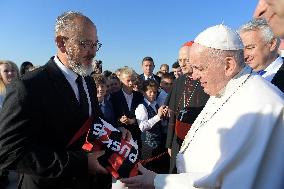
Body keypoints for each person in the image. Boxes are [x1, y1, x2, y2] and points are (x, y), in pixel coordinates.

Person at [121, 24, 284, 189]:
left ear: (228, 65)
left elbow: (224, 181)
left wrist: (157, 181)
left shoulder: (261, 105)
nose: (195, 76)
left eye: (199, 68)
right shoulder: (223, 89)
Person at [0, 11, 119, 189]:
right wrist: (81, 163)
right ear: (61, 43)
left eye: (95, 44)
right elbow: (9, 152)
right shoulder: (27, 87)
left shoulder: (88, 80)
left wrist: (117, 133)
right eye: (85, 44)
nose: (93, 52)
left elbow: (92, 121)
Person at [166, 41, 209, 174]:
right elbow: (172, 113)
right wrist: (169, 143)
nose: (182, 64)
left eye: (186, 60)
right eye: (180, 60)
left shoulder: (206, 80)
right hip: (177, 141)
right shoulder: (179, 81)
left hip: (198, 142)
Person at [239, 18, 284, 92]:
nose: (244, 56)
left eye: (250, 48)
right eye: (241, 50)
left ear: (272, 44)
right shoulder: (240, 78)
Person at [135, 80, 169, 173]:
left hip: (158, 143)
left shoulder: (156, 104)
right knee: (148, 170)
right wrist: (158, 116)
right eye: (150, 92)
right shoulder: (141, 107)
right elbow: (142, 126)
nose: (152, 94)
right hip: (148, 145)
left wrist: (163, 116)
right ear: (144, 92)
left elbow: (158, 122)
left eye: (154, 92)